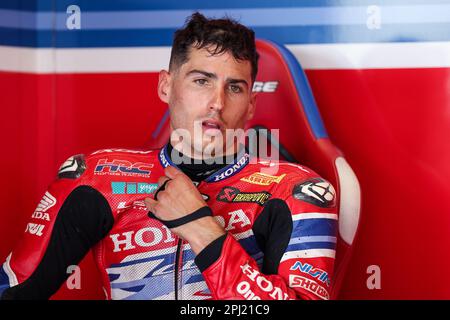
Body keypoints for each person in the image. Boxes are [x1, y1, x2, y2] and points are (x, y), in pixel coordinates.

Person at [0, 12, 337, 300]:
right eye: (202, 81)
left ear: (251, 105)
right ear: (166, 86)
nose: (217, 102)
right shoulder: (98, 178)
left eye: (234, 87)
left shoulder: (296, 191)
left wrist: (200, 226)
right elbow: (15, 288)